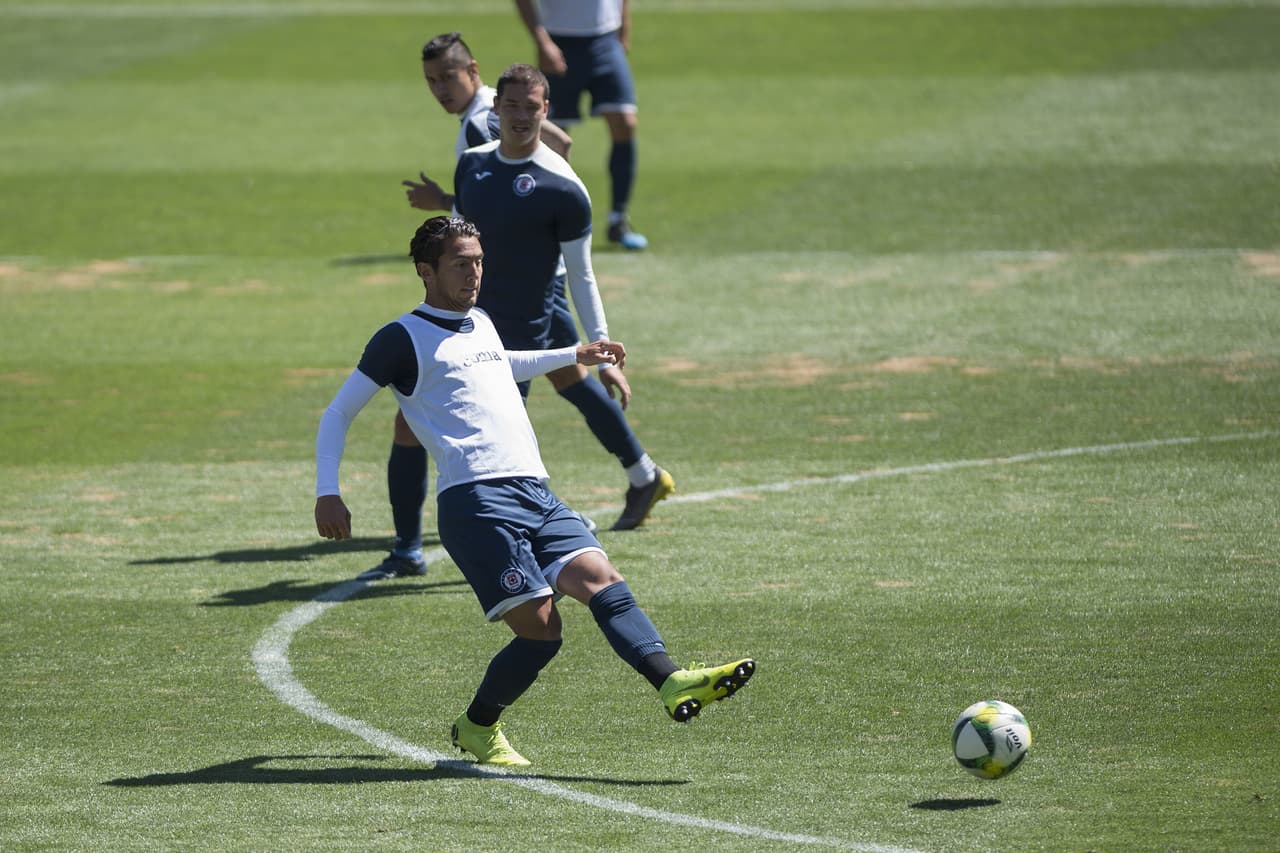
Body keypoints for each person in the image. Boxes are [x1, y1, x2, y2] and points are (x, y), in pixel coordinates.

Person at [314, 216, 754, 765]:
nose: (474, 272)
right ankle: (477, 727)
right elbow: (338, 412)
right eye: (459, 263)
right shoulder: (400, 338)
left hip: (534, 489)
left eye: (477, 260)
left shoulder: (480, 321)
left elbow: (500, 363)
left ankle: (672, 681)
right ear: (426, 271)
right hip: (475, 503)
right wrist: (327, 491)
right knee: (543, 632)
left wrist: (574, 354)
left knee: (603, 581)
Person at [366, 32, 575, 582]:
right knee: (568, 377)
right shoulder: (484, 120)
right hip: (503, 285)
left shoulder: (483, 122)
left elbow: (540, 167)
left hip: (490, 294)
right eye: (429, 81)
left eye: (445, 78)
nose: (438, 89)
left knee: (477, 419)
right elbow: (561, 145)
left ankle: (423, 544)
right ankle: (639, 472)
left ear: (473, 73)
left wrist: (452, 215)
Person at [453, 63, 673, 532]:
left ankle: (555, 517)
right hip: (502, 304)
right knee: (559, 388)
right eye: (511, 105)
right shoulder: (474, 161)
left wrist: (603, 347)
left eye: (530, 107)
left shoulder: (561, 185)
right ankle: (641, 475)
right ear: (496, 107)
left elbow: (582, 273)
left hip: (529, 306)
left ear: (545, 111)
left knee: (501, 422)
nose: (520, 115)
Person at [514, 0, 648, 250]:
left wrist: (624, 27)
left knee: (625, 123)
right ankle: (555, 220)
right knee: (554, 137)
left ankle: (618, 219)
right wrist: (542, 41)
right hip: (559, 41)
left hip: (606, 40)